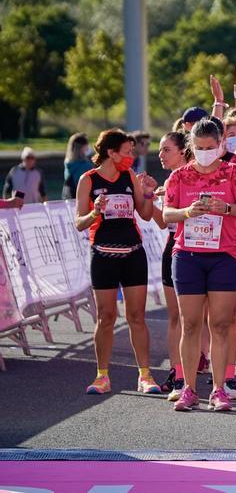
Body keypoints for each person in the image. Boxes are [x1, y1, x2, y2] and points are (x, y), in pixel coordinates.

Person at [163, 118, 236, 412]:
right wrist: (187, 211)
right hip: (188, 255)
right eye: (200, 147)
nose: (205, 152)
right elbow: (167, 214)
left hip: (225, 255)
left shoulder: (235, 172)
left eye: (211, 147)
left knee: (219, 323)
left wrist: (225, 208)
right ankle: (188, 389)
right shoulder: (178, 177)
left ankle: (219, 389)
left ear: (221, 145)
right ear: (192, 146)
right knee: (190, 324)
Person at [74, 129, 157, 395]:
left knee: (136, 316)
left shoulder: (128, 175)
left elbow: (144, 215)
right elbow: (79, 223)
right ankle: (102, 375)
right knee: (106, 316)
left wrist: (147, 194)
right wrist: (95, 211)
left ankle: (145, 376)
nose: (132, 156)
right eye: (127, 151)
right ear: (111, 152)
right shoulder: (88, 180)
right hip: (103, 254)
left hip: (133, 252)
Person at [151, 132, 189, 400]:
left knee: (199, 318)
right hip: (172, 246)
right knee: (175, 317)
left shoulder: (198, 175)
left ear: (183, 151)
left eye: (166, 149)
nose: (160, 155)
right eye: (160, 150)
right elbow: (164, 222)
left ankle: (212, 369)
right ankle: (177, 373)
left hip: (199, 249)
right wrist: (148, 198)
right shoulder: (168, 180)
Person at [63, 132, 91, 199]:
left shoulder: (68, 164)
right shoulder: (85, 166)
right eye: (86, 146)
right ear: (82, 147)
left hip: (70, 200)